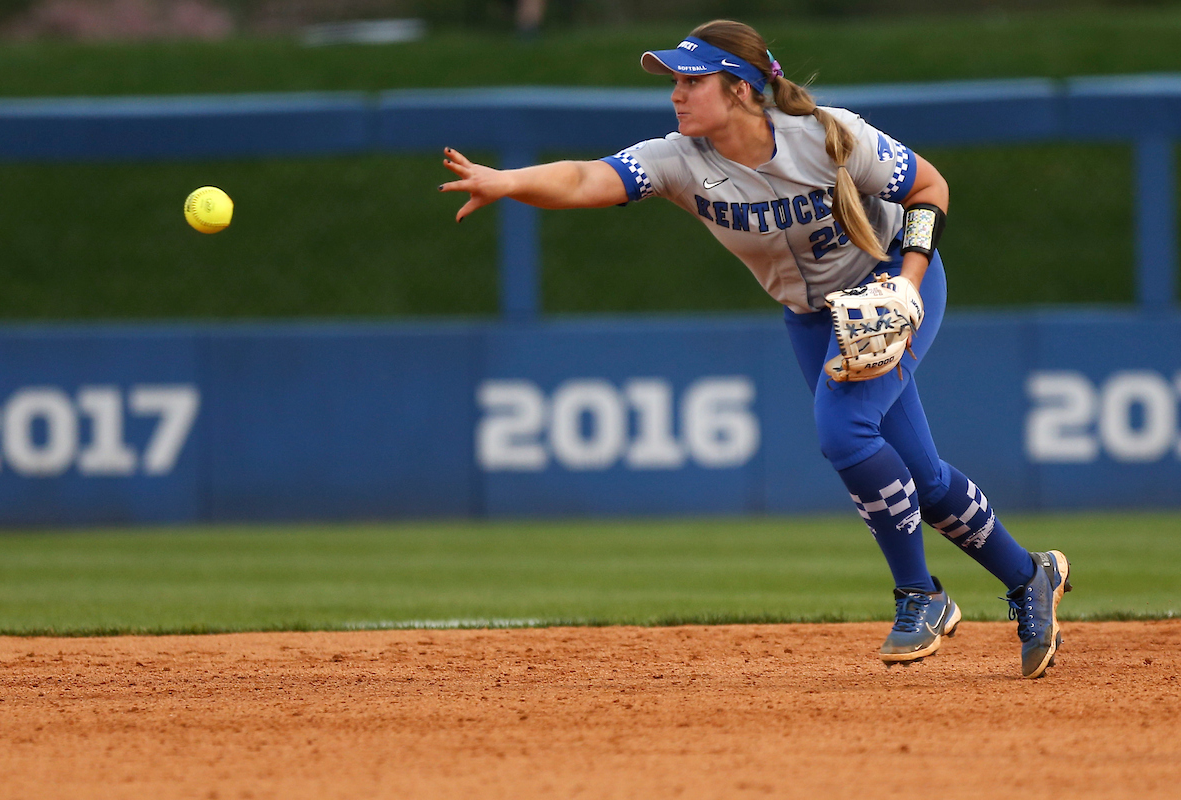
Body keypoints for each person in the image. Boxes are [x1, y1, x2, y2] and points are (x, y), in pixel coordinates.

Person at [440, 19, 1072, 678]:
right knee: (924, 477)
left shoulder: (829, 136)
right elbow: (583, 179)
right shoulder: (679, 161)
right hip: (811, 317)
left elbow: (928, 188)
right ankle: (1029, 575)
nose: (676, 95)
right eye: (675, 82)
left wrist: (907, 287)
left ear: (740, 89)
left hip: (890, 285)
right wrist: (509, 182)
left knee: (847, 431)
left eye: (692, 81)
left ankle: (921, 595)